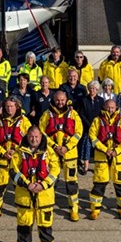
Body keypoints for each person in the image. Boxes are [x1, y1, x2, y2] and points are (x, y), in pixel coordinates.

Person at [12, 126, 60, 242]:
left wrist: (43, 185)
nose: (34, 139)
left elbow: (55, 170)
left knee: (46, 229)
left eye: (37, 137)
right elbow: (13, 171)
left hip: (44, 198)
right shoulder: (19, 152)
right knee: (24, 229)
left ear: (41, 137)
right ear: (27, 137)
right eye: (31, 137)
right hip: (25, 198)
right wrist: (28, 185)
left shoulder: (49, 151)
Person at [39, 90, 83, 221]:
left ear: (66, 99)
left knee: (71, 183)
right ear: (53, 100)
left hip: (70, 154)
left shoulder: (73, 114)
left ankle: (74, 209)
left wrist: (67, 147)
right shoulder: (47, 114)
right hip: (52, 154)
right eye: (57, 100)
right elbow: (42, 133)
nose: (60, 102)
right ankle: (48, 206)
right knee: (52, 181)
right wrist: (54, 147)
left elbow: (78, 132)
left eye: (62, 100)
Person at [87, 98, 121, 220]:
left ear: (116, 108)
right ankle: (95, 209)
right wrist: (104, 149)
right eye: (108, 107)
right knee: (99, 184)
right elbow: (92, 136)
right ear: (104, 107)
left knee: (120, 185)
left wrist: (116, 150)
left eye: (112, 107)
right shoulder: (97, 121)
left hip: (118, 157)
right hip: (102, 156)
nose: (110, 109)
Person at [0, 97, 29, 221]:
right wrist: (3, 152)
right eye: (7, 106)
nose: (9, 109)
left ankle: (22, 211)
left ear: (17, 106)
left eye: (12, 106)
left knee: (20, 188)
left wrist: (15, 151)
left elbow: (30, 140)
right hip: (1, 161)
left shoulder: (24, 121)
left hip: (18, 162)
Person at [79, 80, 104, 175]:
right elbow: (81, 114)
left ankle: (98, 165)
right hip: (86, 126)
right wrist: (88, 124)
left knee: (98, 146)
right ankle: (85, 166)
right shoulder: (84, 100)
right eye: (90, 88)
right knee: (87, 146)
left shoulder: (101, 100)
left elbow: (102, 113)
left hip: (98, 127)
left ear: (97, 90)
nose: (92, 90)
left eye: (94, 89)